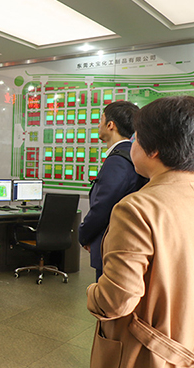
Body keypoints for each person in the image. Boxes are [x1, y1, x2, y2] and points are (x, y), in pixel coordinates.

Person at [87, 95, 194, 368]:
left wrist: (92, 292)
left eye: (135, 138)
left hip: (147, 352)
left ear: (153, 148)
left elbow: (115, 301)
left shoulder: (136, 209)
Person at [79, 101, 147, 281]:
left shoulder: (117, 161)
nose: (98, 125)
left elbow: (103, 206)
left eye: (100, 120)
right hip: (126, 243)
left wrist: (84, 235)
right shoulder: (132, 154)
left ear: (110, 125)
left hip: (112, 245)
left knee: (106, 296)